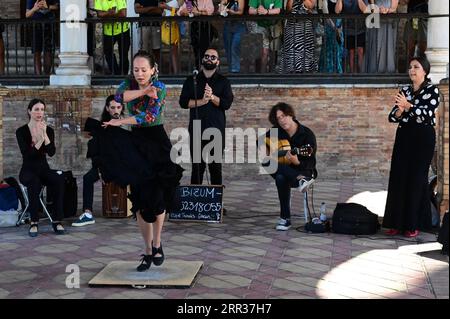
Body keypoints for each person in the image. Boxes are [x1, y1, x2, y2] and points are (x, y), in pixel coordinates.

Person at [103, 50, 183, 271]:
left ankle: (158, 243)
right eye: (136, 69)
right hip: (136, 143)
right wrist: (142, 91)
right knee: (139, 200)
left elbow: (148, 116)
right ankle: (147, 250)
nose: (139, 73)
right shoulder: (126, 84)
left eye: (144, 70)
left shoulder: (161, 87)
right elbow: (117, 98)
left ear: (153, 69)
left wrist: (121, 122)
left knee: (158, 197)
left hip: (156, 141)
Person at [383, 55, 440, 238]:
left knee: (416, 179)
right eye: (410, 67)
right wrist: (400, 110)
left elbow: (426, 114)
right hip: (404, 136)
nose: (411, 70)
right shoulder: (405, 89)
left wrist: (408, 107)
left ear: (425, 70)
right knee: (399, 177)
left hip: (423, 138)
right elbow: (392, 117)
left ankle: (413, 224)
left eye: (416, 67)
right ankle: (395, 223)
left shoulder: (433, 90)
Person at [179, 47, 234, 186]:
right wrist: (202, 101)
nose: (209, 59)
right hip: (196, 128)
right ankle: (196, 203)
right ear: (203, 59)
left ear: (218, 62)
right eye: (206, 56)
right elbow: (183, 102)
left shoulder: (223, 81)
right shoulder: (192, 80)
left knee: (215, 168)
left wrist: (212, 97)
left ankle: (215, 205)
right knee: (197, 168)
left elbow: (226, 104)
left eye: (213, 57)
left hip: (216, 130)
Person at [72, 95, 124, 227]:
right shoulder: (101, 126)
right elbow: (95, 152)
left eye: (118, 107)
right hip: (104, 165)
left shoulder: (127, 124)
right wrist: (100, 169)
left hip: (124, 165)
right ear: (107, 108)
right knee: (88, 178)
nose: (115, 110)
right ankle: (88, 213)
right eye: (112, 107)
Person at [16, 99, 66, 237]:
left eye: (42, 109)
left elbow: (51, 152)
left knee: (59, 177)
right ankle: (34, 222)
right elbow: (27, 154)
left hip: (43, 169)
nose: (39, 113)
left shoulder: (48, 130)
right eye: (36, 109)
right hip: (28, 170)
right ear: (29, 111)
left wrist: (45, 136)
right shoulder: (21, 131)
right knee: (34, 181)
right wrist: (39, 141)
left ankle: (57, 220)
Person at [265, 102, 317, 231]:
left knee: (281, 177)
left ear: (291, 115)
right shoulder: (276, 131)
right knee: (267, 162)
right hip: (293, 175)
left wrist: (296, 161)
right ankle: (286, 219)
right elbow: (259, 143)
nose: (282, 120)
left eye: (284, 116)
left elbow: (310, 163)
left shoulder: (307, 134)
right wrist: (268, 149)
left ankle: (285, 218)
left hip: (305, 172)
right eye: (278, 118)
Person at [359, 0, 398, 73]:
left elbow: (394, 8)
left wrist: (387, 10)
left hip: (387, 23)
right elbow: (365, 9)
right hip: (374, 24)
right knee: (374, 46)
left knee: (387, 46)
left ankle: (387, 70)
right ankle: (372, 71)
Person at [177, 0, 215, 70]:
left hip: (205, 27)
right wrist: (185, 12)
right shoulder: (189, 1)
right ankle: (199, 69)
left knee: (204, 50)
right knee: (196, 50)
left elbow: (210, 11)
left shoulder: (207, 0)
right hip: (195, 28)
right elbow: (179, 12)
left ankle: (205, 69)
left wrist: (198, 12)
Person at [95, 0, 131, 75]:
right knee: (108, 53)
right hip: (108, 31)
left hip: (123, 29)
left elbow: (123, 13)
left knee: (123, 54)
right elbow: (99, 14)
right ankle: (116, 74)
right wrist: (110, 13)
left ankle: (123, 76)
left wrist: (107, 14)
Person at [248, 0, 283, 73]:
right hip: (260, 26)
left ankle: (271, 72)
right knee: (264, 52)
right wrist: (257, 10)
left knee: (273, 51)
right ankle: (262, 73)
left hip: (274, 26)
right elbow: (250, 10)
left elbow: (278, 10)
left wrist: (266, 12)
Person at [26, 0, 59, 75]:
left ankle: (47, 77)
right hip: (35, 25)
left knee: (48, 51)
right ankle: (38, 77)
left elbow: (59, 6)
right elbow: (27, 14)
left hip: (49, 24)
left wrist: (48, 6)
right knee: (36, 51)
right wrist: (35, 8)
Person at [336, 0, 365, 73]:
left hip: (360, 28)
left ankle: (361, 73)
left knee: (360, 51)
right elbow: (337, 11)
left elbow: (365, 10)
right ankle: (352, 74)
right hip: (348, 29)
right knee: (351, 52)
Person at [219, 0, 246, 73]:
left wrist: (229, 10)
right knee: (228, 49)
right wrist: (222, 6)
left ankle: (235, 70)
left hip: (239, 26)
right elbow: (219, 11)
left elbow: (240, 12)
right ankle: (231, 70)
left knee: (235, 47)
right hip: (227, 25)